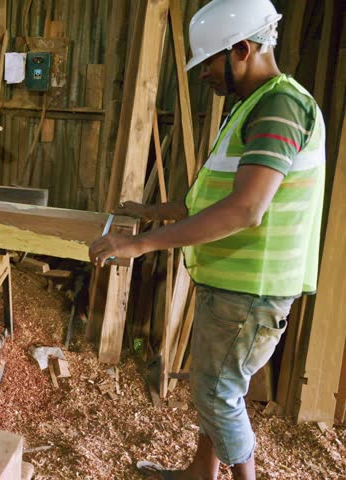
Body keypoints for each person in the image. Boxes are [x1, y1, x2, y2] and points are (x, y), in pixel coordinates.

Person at [89, 0, 326, 478]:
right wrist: (152, 213)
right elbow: (214, 197)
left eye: (208, 64)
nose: (202, 76)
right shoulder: (252, 106)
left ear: (242, 49)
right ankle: (203, 471)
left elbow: (245, 209)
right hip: (235, 285)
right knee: (214, 385)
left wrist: (139, 245)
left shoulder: (281, 106)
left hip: (252, 290)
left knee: (219, 395)